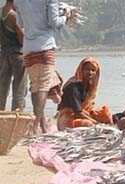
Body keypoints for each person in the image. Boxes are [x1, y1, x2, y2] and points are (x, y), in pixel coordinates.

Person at [15, 0, 79, 133]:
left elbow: (20, 24)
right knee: (43, 86)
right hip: (44, 46)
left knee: (35, 85)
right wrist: (66, 16)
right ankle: (35, 126)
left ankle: (42, 126)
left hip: (28, 48)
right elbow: (54, 22)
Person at [55, 56, 112, 130]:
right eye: (87, 69)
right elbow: (78, 113)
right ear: (81, 70)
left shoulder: (89, 86)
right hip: (67, 118)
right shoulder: (73, 87)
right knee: (88, 124)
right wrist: (96, 123)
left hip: (83, 113)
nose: (90, 73)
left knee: (106, 113)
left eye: (93, 70)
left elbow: (86, 109)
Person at [0, 0, 27, 111]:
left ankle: (1, 113)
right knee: (19, 87)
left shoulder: (2, 13)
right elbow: (22, 38)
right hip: (17, 54)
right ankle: (18, 113)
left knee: (2, 86)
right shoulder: (14, 16)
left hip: (4, 53)